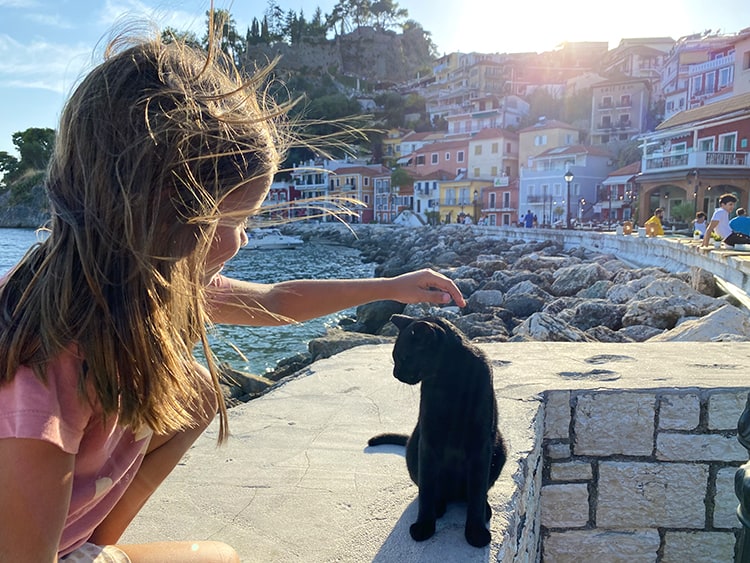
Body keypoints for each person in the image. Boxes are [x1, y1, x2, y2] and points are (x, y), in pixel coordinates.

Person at [0, 24, 466, 563]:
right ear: (165, 208)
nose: (242, 239)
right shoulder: (41, 366)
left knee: (195, 392)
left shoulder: (135, 277)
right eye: (235, 218)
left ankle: (93, 545)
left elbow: (275, 302)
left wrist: (393, 286)